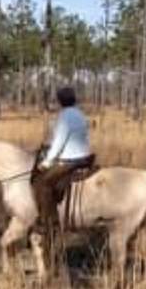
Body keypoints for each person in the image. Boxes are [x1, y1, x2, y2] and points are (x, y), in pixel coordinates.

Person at [32, 86, 94, 229]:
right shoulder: (80, 114)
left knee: (43, 183)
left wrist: (46, 163)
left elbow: (59, 142)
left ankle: (50, 221)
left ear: (60, 101)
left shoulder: (64, 117)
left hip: (71, 161)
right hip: (85, 157)